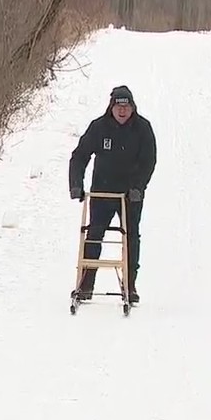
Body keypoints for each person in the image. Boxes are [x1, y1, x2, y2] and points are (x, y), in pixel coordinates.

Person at [68, 85, 157, 304]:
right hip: (102, 190)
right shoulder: (99, 127)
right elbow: (79, 156)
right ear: (112, 106)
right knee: (93, 234)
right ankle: (86, 283)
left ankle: (130, 284)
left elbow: (149, 161)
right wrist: (76, 185)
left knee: (130, 236)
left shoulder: (143, 128)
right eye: (118, 106)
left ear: (132, 107)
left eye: (126, 107)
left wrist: (139, 187)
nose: (122, 111)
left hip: (130, 194)